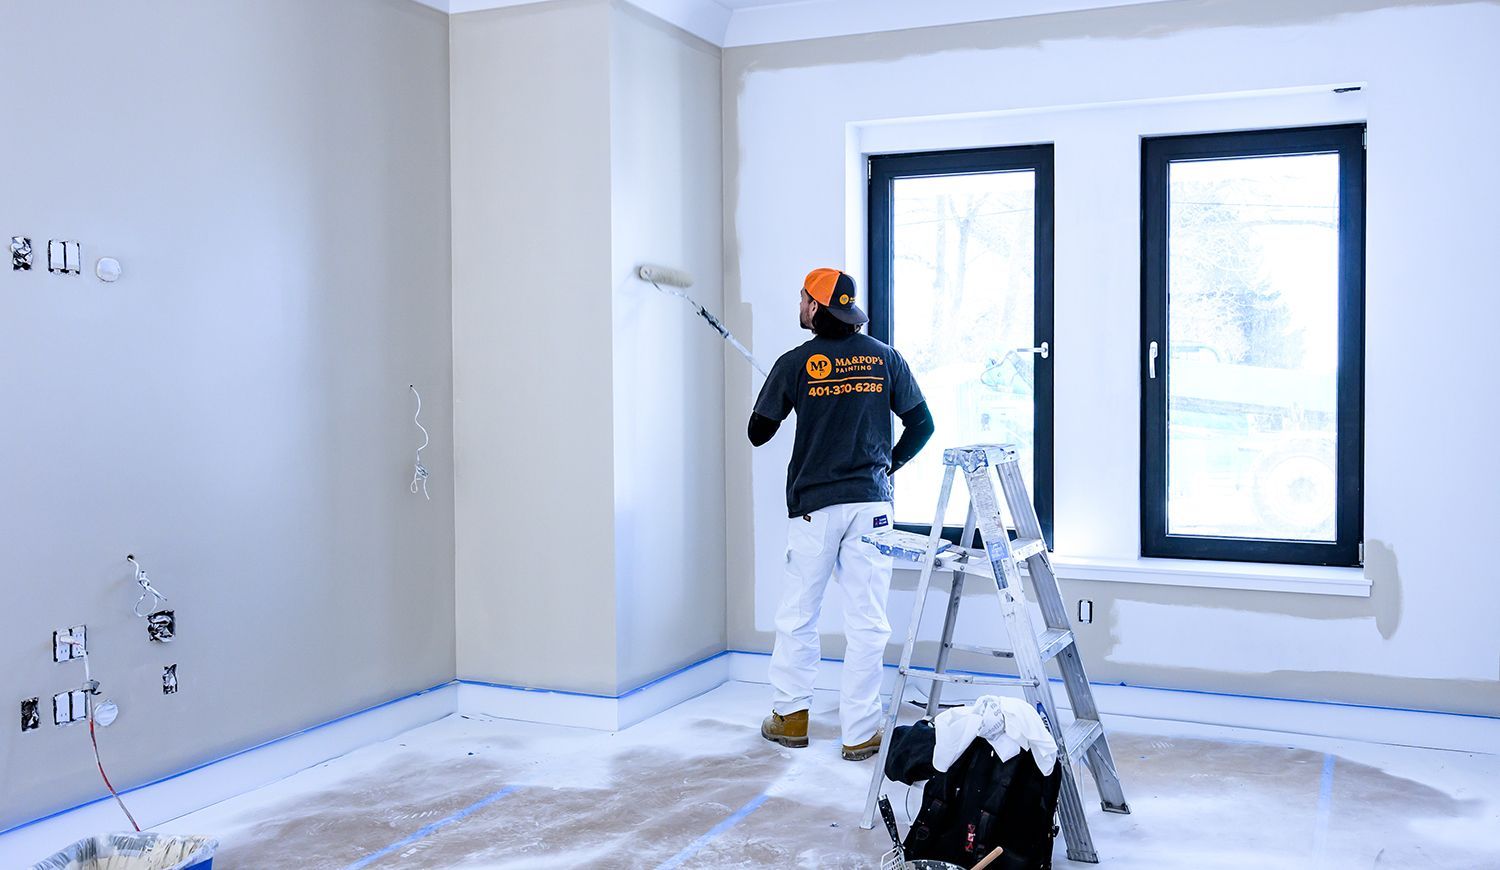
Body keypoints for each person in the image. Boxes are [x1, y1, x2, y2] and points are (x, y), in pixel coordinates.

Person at [749, 267, 934, 761]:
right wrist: (889, 465)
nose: (800, 306)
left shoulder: (795, 362)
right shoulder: (885, 358)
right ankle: (860, 732)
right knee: (868, 620)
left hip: (815, 508)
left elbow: (758, 433)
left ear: (815, 306)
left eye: (802, 298)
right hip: (872, 505)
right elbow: (922, 424)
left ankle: (791, 717)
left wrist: (786, 395)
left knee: (798, 614)